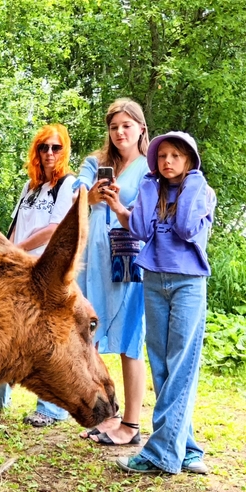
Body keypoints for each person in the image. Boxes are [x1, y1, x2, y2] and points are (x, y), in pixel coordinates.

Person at [111, 131, 215, 475]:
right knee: (162, 366)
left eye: (176, 156)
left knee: (181, 365)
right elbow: (139, 229)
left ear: (189, 160)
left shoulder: (200, 190)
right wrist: (143, 189)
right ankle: (186, 448)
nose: (167, 162)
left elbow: (186, 227)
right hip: (153, 279)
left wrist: (192, 182)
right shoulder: (151, 187)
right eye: (162, 156)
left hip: (187, 281)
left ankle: (161, 453)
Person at [0, 123, 78, 427]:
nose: (49, 153)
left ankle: (51, 407)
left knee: (47, 334)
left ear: (63, 150)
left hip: (47, 268)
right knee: (9, 326)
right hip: (22, 266)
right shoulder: (30, 187)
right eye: (44, 147)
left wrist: (18, 249)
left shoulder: (67, 185)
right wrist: (8, 253)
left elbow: (55, 228)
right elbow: (16, 224)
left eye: (55, 147)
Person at [75, 98, 151, 447]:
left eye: (127, 125)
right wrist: (91, 196)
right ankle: (109, 416)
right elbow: (76, 193)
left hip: (129, 257)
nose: (120, 132)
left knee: (130, 340)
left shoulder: (151, 166)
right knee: (91, 335)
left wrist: (122, 205)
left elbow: (150, 213)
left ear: (141, 128)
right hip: (95, 258)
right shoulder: (97, 162)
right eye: (114, 126)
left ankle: (132, 424)